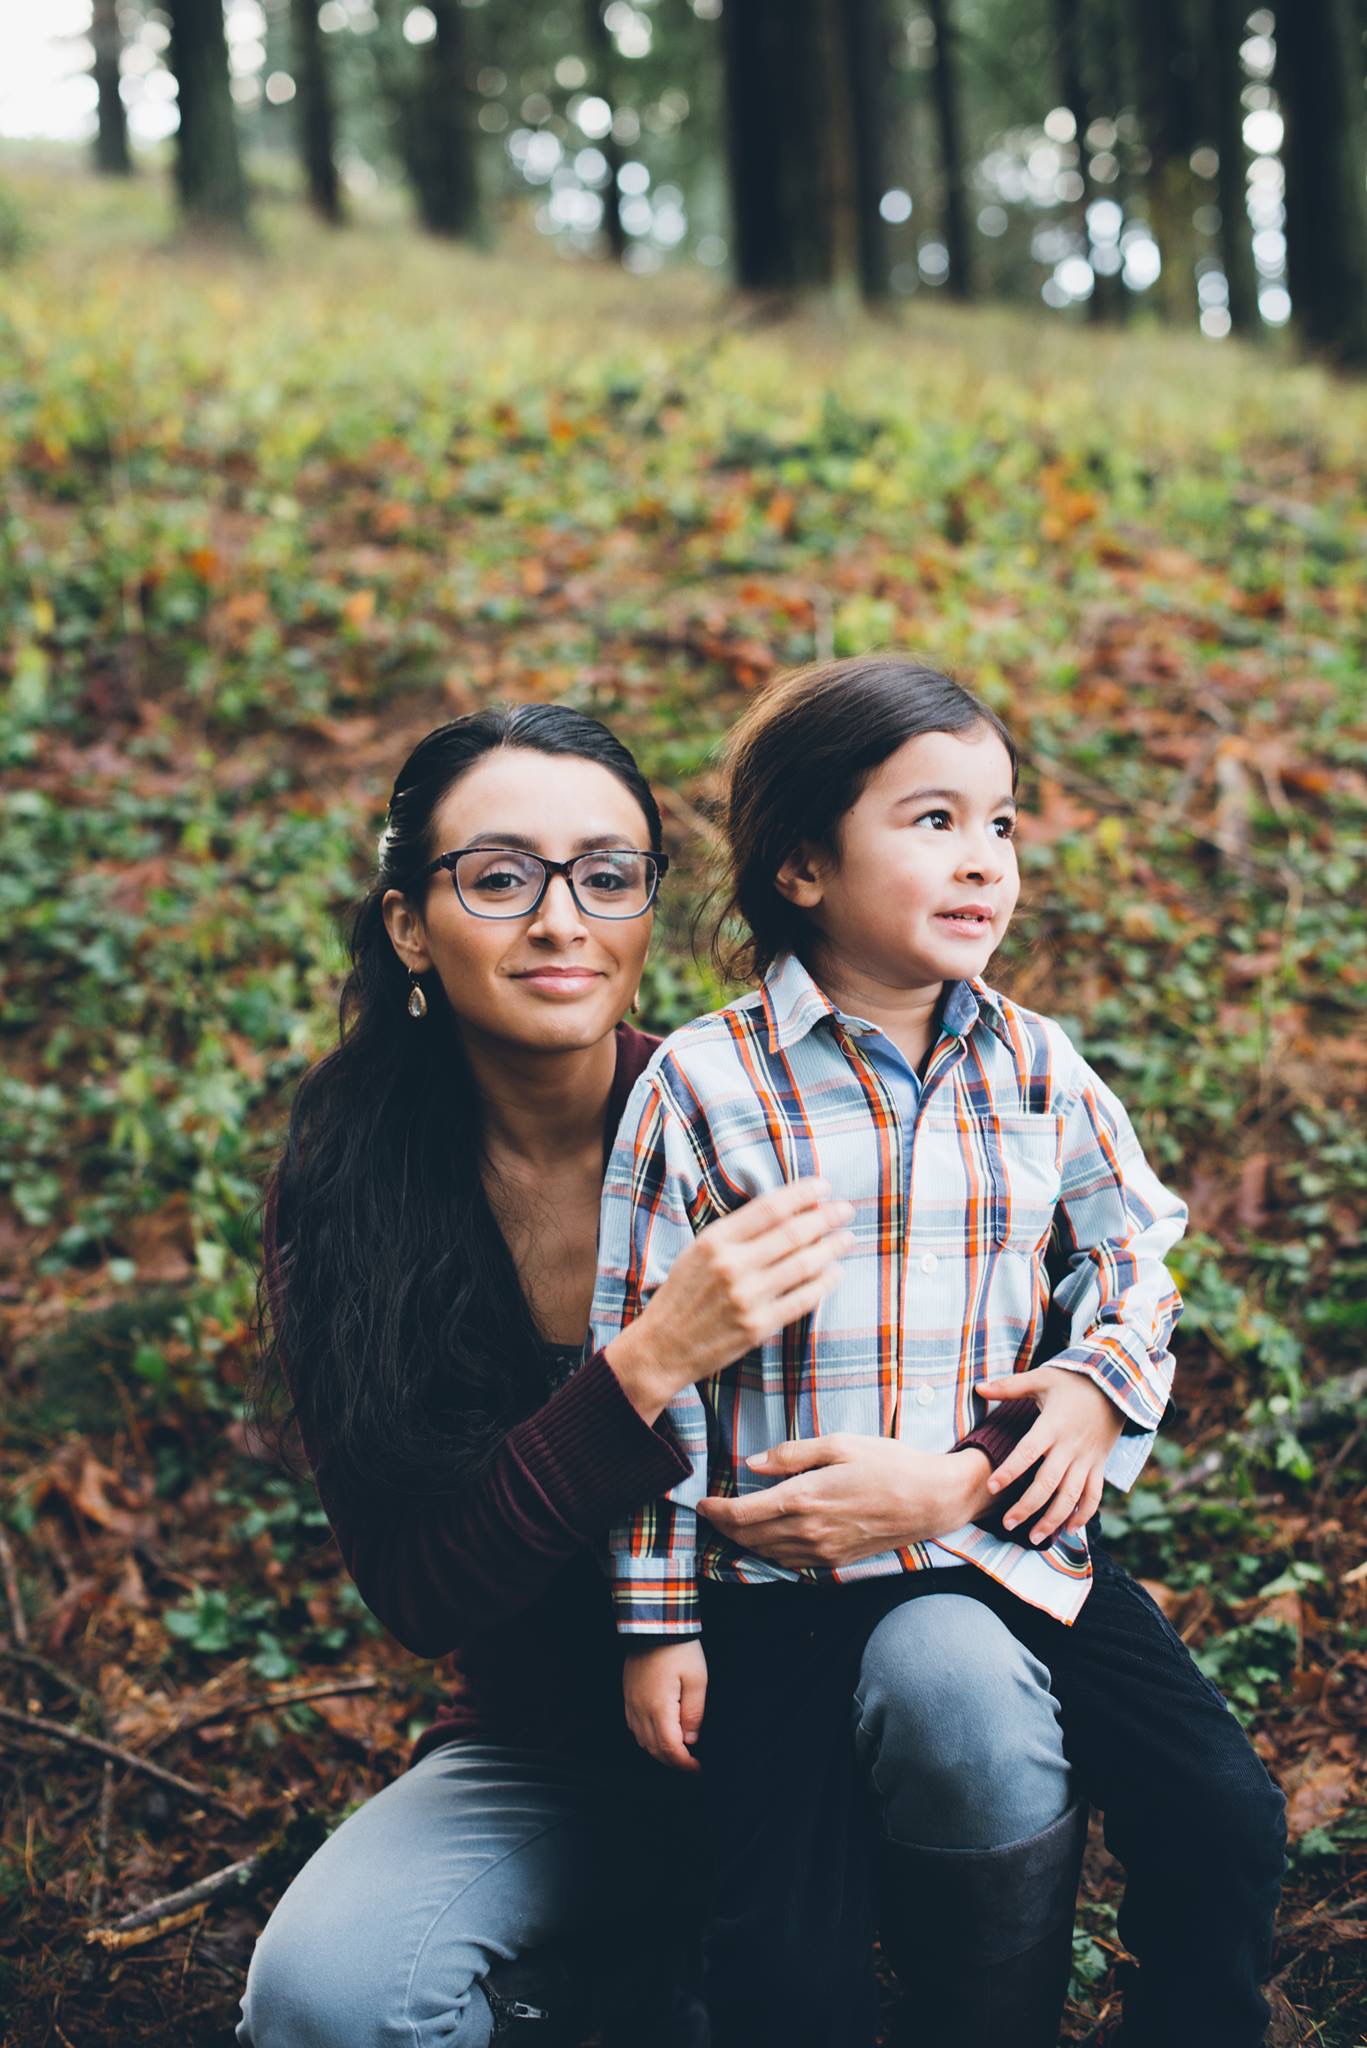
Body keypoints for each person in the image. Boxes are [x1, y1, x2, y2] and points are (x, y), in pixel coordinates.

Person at [236, 701, 1022, 2048]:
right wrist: (652, 1357)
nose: (562, 920)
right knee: (331, 1993)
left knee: (960, 1675)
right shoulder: (360, 1195)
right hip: (556, 1755)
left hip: (818, 1711)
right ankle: (637, 1977)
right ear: (411, 924)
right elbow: (426, 1590)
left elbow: (1027, 1357)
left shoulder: (758, 1123)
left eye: (607, 875)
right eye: (500, 877)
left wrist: (978, 1465)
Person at [589, 655, 1287, 2048]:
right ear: (801, 863)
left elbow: (1140, 1249)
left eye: (1004, 822)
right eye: (934, 822)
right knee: (783, 1966)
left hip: (1006, 1545)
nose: (986, 863)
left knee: (1225, 1811)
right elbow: (641, 1365)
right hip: (775, 1581)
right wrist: (655, 1618)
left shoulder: (1036, 1067)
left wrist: (1095, 1389)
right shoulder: (707, 1086)